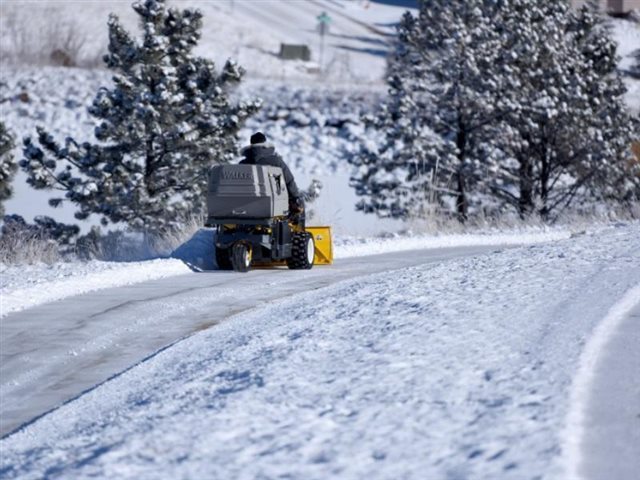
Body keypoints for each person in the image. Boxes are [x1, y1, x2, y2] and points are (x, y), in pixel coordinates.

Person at [239, 132, 305, 220]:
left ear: (251, 145)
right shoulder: (276, 162)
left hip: (246, 205)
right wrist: (295, 198)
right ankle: (296, 229)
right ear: (265, 144)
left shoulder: (242, 164)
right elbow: (289, 181)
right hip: (273, 205)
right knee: (299, 204)